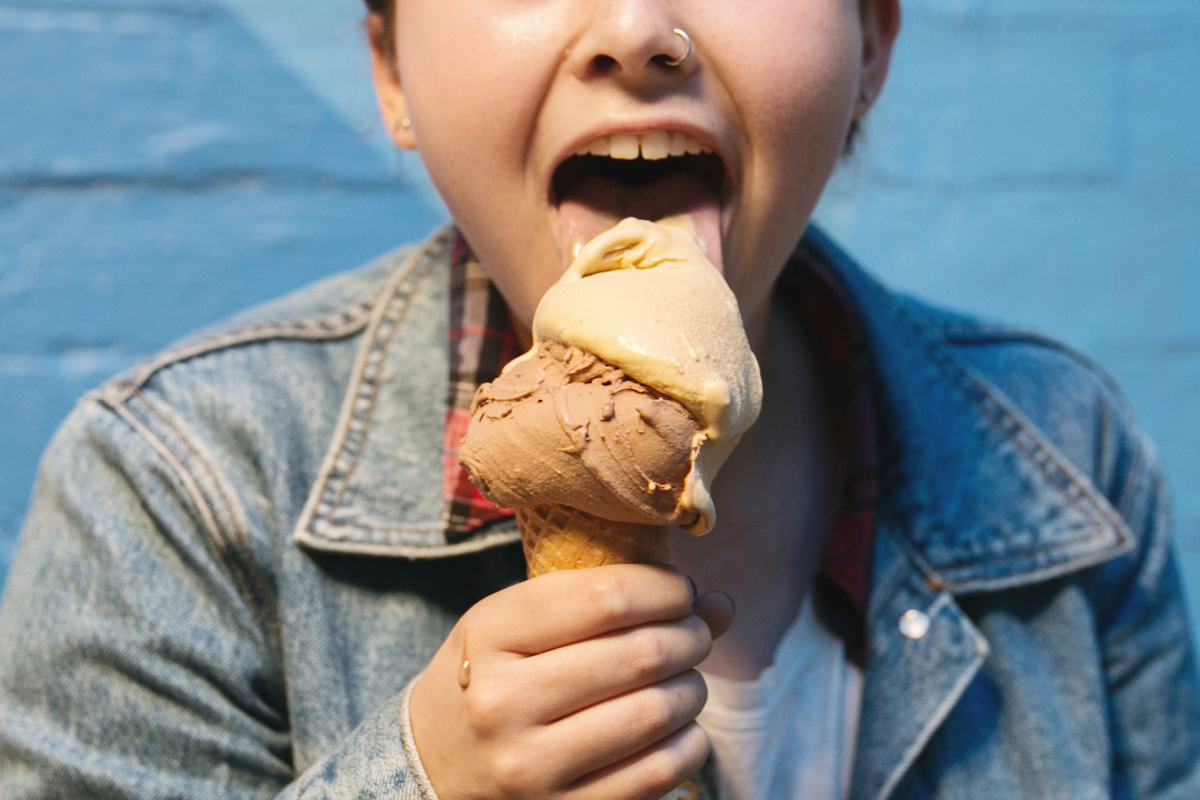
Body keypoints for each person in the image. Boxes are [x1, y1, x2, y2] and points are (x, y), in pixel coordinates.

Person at [1, 0, 1197, 797]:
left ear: (870, 44)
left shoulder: (1067, 453)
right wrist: (420, 776)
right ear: (391, 68)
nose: (636, 31)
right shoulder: (176, 487)